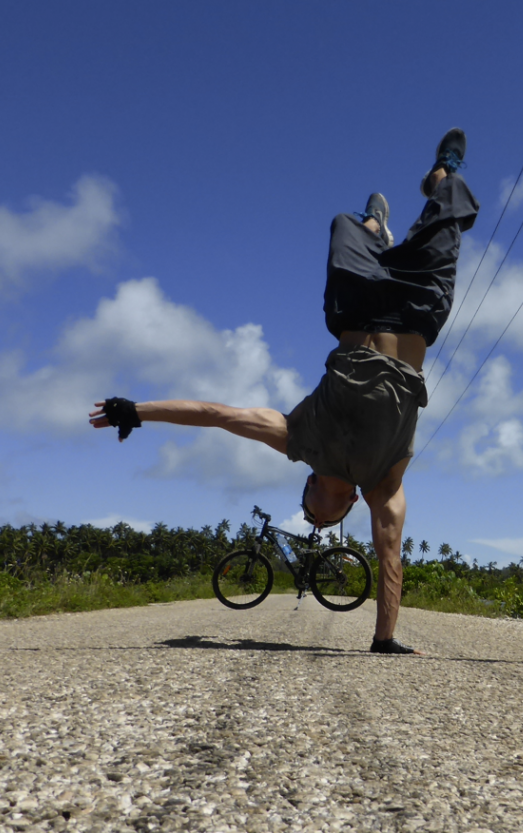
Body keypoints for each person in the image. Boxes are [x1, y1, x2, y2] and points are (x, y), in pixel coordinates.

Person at [90, 129, 479, 655]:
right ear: (343, 510)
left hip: (356, 308)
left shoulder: (297, 440)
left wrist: (134, 411)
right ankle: (444, 173)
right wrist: (384, 638)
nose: (314, 514)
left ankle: (374, 226)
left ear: (310, 486)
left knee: (344, 225)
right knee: (448, 217)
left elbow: (217, 415)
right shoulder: (384, 485)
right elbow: (389, 556)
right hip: (416, 312)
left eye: (307, 508)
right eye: (321, 518)